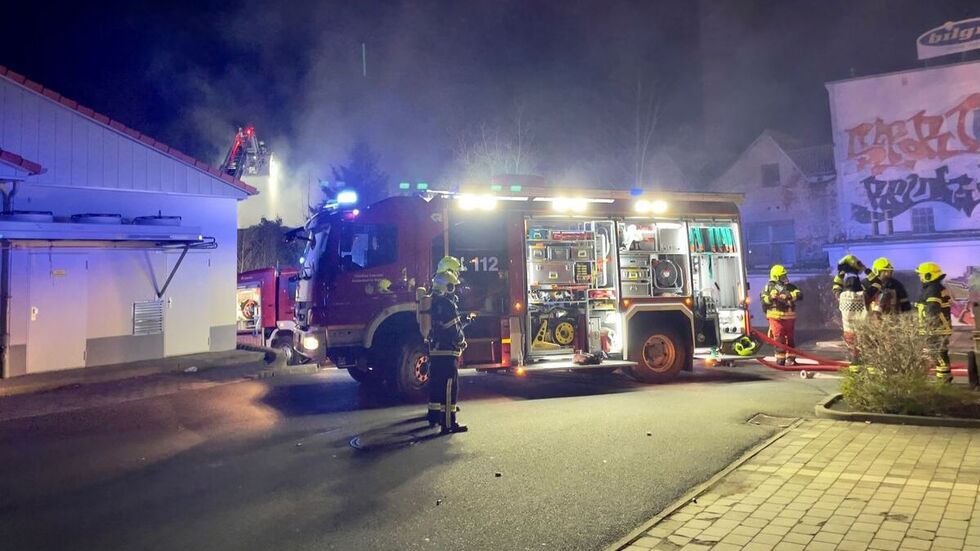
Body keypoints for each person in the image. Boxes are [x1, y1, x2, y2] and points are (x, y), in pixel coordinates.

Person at [426, 270, 470, 433]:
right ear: (447, 286)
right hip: (447, 351)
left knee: (436, 385)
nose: (455, 290)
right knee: (450, 388)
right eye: (453, 286)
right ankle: (449, 424)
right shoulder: (447, 304)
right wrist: (462, 341)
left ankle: (434, 417)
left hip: (436, 350)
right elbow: (453, 329)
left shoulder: (433, 301)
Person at [915, 262, 953, 383]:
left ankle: (944, 380)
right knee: (939, 353)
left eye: (921, 275)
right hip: (939, 327)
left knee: (938, 353)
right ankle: (943, 379)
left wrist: (928, 326)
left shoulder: (933, 289)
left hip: (936, 328)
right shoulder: (936, 287)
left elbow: (932, 308)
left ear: (928, 275)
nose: (920, 277)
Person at [760, 265, 803, 366]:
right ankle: (780, 359)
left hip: (789, 318)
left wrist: (788, 295)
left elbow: (799, 294)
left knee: (790, 338)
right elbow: (763, 299)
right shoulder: (769, 287)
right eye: (782, 276)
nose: (785, 278)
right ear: (776, 277)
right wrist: (771, 297)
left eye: (785, 275)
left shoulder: (790, 287)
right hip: (776, 318)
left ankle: (791, 358)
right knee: (779, 338)